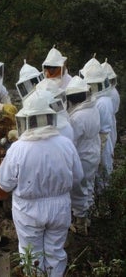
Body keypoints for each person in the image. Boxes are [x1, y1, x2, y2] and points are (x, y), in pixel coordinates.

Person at [0, 90, 85, 276]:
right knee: (55, 252)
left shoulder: (18, 148)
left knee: (31, 253)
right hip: (60, 206)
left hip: (28, 209)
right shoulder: (65, 143)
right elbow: (78, 177)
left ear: (26, 121)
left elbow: (4, 184)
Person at [66, 76, 101, 233]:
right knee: (88, 185)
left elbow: (71, 141)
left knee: (79, 189)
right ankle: (88, 217)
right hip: (93, 152)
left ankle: (81, 224)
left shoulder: (77, 117)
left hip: (82, 156)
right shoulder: (93, 108)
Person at [83, 62, 114, 192]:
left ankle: (104, 207)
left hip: (102, 141)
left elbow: (104, 131)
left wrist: (99, 149)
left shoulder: (103, 102)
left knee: (103, 173)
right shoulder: (102, 99)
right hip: (99, 140)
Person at [101, 58, 120, 150]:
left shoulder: (111, 93)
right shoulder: (109, 92)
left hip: (107, 124)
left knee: (107, 148)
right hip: (109, 123)